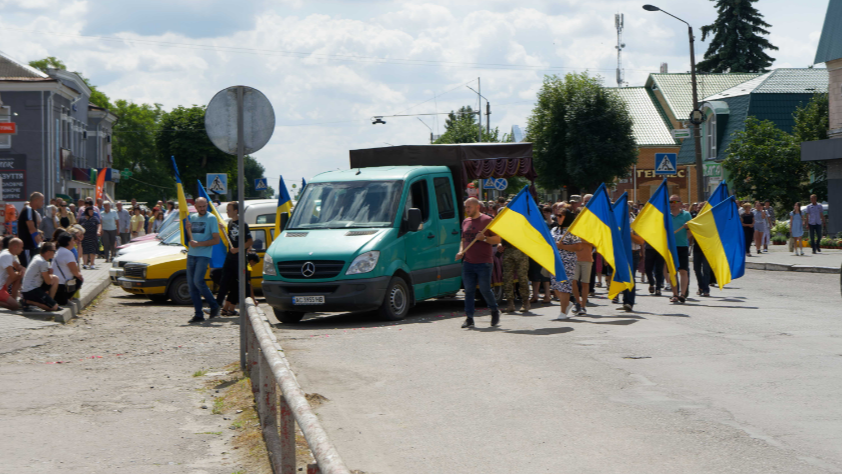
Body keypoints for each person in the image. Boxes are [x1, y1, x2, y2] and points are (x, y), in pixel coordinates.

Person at [456, 198, 501, 329]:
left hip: (484, 262)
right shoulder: (466, 221)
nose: (467, 209)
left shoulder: (487, 220)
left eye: (469, 207)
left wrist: (484, 238)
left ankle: (494, 310)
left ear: (477, 207)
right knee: (469, 291)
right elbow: (463, 239)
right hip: (468, 262)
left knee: (485, 289)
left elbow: (497, 239)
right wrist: (461, 252)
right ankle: (469, 318)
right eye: (466, 207)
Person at [186, 197, 222, 324]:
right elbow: (190, 238)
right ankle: (198, 314)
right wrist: (187, 230)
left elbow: (216, 240)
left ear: (207, 205)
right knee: (191, 286)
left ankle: (214, 305)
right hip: (191, 254)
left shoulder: (211, 218)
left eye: (204, 206)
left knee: (198, 281)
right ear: (195, 206)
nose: (202, 209)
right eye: (199, 207)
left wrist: (199, 244)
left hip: (204, 254)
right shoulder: (192, 217)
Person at [215, 202, 253, 317]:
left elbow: (249, 242)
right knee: (224, 283)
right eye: (227, 210)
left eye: (229, 210)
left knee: (241, 284)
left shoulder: (243, 224)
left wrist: (237, 249)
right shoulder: (230, 222)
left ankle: (248, 309)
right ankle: (216, 308)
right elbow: (230, 238)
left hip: (239, 259)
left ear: (236, 210)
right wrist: (223, 230)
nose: (227, 212)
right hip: (230, 258)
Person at [552, 209, 580, 320]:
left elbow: (578, 247)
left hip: (567, 262)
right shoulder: (554, 230)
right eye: (557, 215)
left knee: (564, 286)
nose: (557, 217)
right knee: (555, 286)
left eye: (560, 216)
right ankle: (567, 303)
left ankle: (563, 312)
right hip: (555, 261)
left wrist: (562, 246)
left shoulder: (572, 231)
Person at [19, 242, 60, 312]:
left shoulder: (37, 256)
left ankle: (50, 302)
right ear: (48, 252)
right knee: (54, 308)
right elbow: (48, 281)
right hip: (30, 290)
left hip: (31, 287)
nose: (55, 253)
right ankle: (27, 301)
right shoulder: (42, 262)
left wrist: (49, 274)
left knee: (55, 278)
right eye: (54, 251)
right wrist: (50, 274)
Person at [670, 195, 693, 304]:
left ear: (680, 203)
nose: (672, 203)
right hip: (670, 247)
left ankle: (682, 294)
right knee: (672, 272)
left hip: (682, 246)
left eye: (675, 201)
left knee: (683, 271)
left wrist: (685, 235)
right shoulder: (666, 215)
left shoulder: (686, 215)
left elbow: (691, 231)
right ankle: (675, 294)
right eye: (670, 201)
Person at [53, 232, 84, 306]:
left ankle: (63, 299)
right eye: (72, 241)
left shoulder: (58, 251)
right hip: (63, 286)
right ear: (68, 242)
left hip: (55, 285)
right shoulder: (67, 253)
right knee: (79, 279)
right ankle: (65, 299)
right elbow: (75, 272)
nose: (74, 243)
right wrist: (80, 275)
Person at [501, 239, 531, 314]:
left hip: (521, 249)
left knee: (522, 277)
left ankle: (525, 302)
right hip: (508, 250)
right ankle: (510, 303)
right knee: (507, 278)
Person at [17, 192, 44, 267]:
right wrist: (39, 244)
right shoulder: (28, 209)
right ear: (36, 200)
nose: (43, 203)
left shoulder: (31, 211)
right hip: (27, 248)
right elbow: (31, 229)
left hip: (30, 248)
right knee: (28, 272)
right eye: (42, 200)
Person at [0, 238, 24, 310]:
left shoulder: (8, 253)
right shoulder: (7, 256)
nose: (22, 249)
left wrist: (22, 269)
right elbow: (12, 275)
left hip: (2, 285)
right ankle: (12, 301)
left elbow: (17, 266)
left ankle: (13, 299)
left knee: (18, 276)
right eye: (21, 247)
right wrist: (22, 273)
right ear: (15, 247)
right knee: (15, 306)